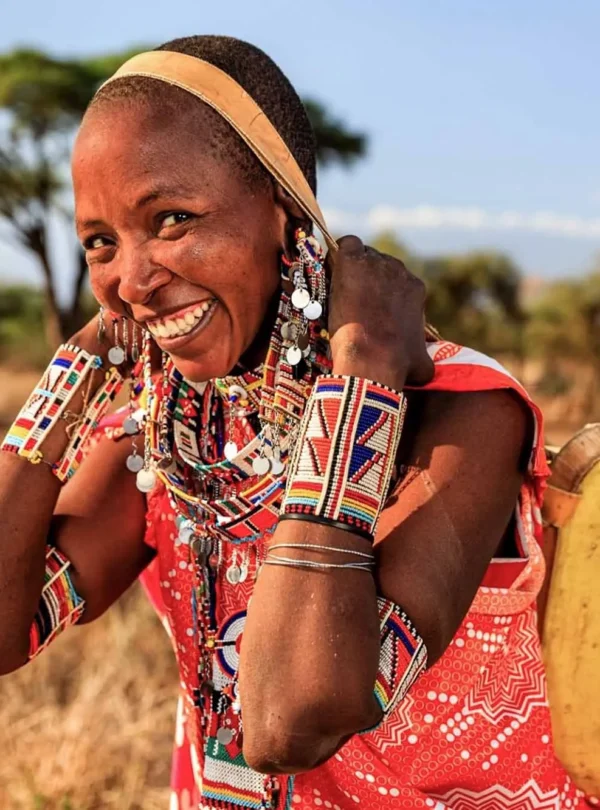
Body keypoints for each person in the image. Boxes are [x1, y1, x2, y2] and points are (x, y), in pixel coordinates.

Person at [0, 35, 588, 810]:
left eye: (172, 220)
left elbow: (289, 719)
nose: (132, 280)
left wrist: (359, 382)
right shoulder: (167, 430)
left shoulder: (458, 413)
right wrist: (74, 374)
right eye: (101, 242)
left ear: (285, 212)